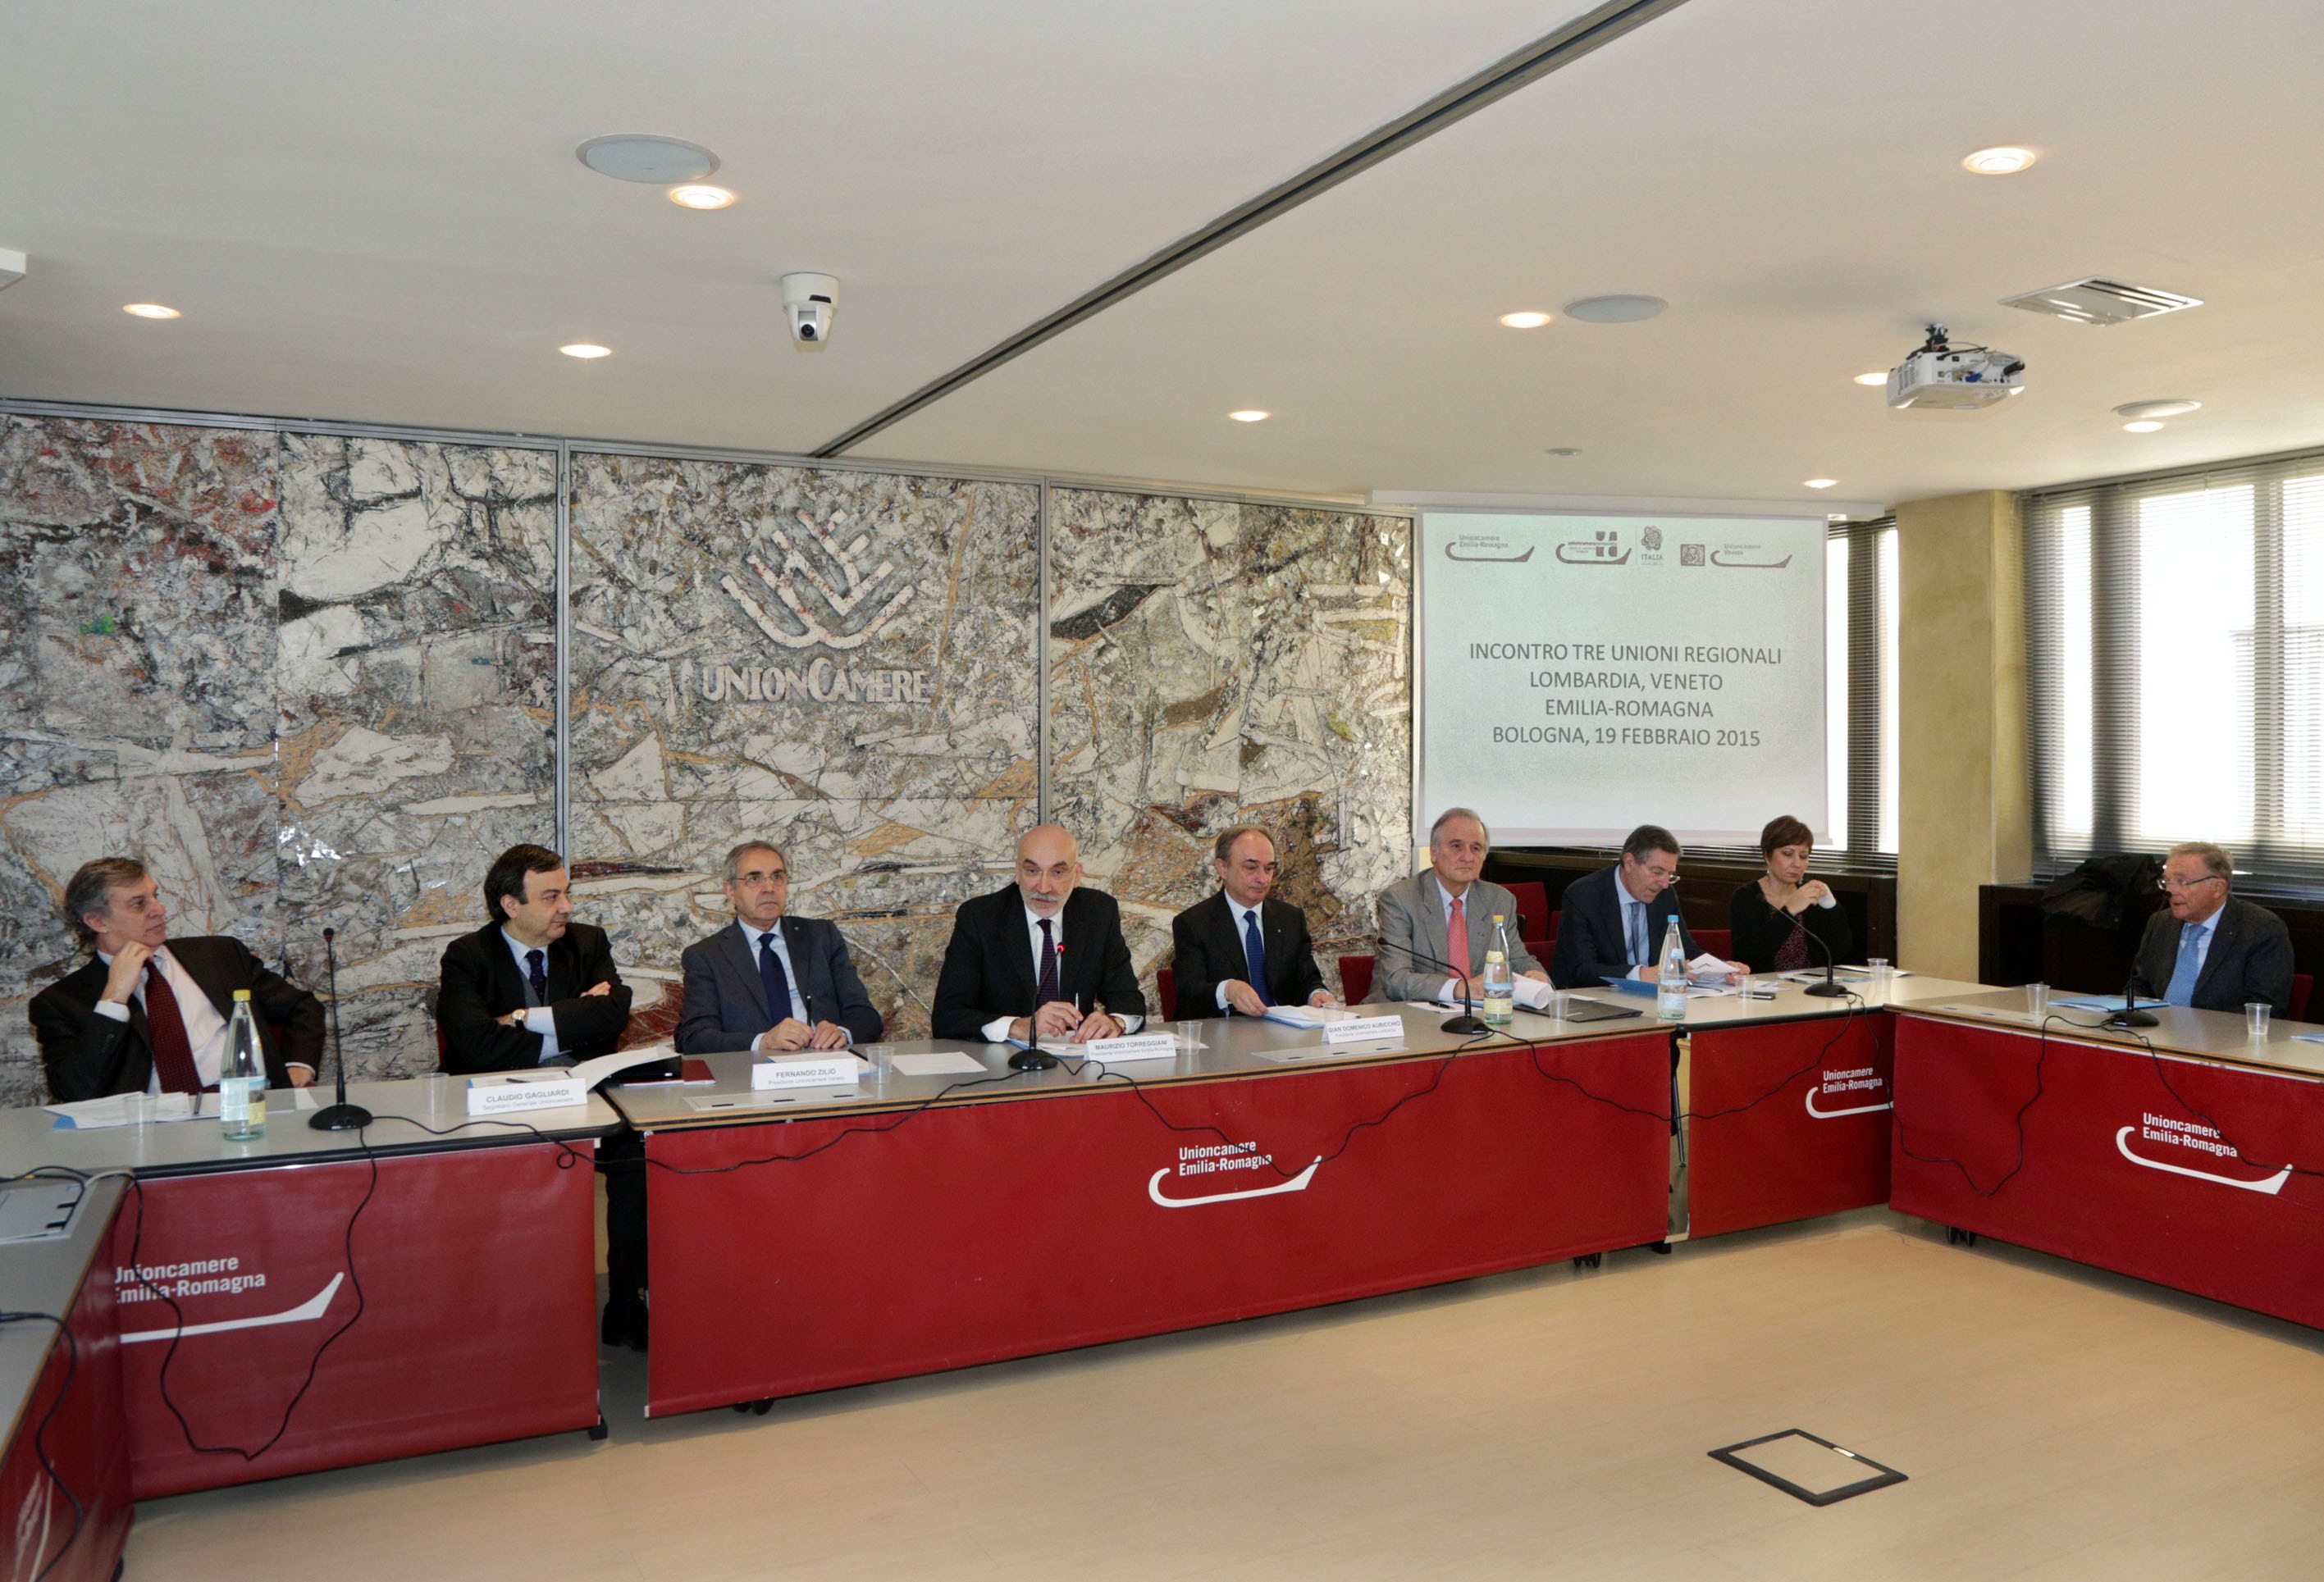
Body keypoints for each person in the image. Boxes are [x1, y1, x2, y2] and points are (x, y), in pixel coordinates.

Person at [436, 844, 646, 1349]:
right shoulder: (467, 957)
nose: (566, 907)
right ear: (511, 905)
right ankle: (507, 1315)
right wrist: (572, 1020)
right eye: (551, 897)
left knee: (639, 1157)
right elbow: (476, 1046)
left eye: (566, 894)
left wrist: (522, 1019)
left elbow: (612, 1018)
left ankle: (625, 1305)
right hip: (500, 1104)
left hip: (585, 1096)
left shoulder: (587, 942)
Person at [30, 857, 324, 1103]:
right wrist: (114, 998)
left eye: (155, 896)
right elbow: (75, 1091)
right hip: (149, 1129)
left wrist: (298, 1065)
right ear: (97, 921)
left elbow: (302, 1007)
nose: (159, 910)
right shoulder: (61, 1002)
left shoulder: (217, 955)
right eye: (138, 904)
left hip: (247, 1106)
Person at [931, 824, 1145, 1043]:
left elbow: (1128, 998)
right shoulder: (980, 918)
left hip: (1076, 1055)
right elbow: (947, 1016)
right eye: (1032, 871)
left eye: (1058, 872)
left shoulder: (1098, 912)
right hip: (1003, 1058)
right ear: (1017, 871)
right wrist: (1017, 1026)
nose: (1043, 888)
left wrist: (1115, 1022)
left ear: (1077, 875)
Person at [678, 841, 883, 1052]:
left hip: (825, 1062)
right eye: (754, 879)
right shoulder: (707, 956)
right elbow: (694, 1037)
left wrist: (842, 1033)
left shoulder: (821, 937)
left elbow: (866, 1016)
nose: (769, 888)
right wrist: (762, 1042)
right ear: (730, 890)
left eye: (777, 877)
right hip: (752, 1069)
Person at [1375, 809, 1550, 1006]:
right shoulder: (1400, 899)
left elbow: (1517, 959)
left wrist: (1536, 975)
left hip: (1477, 1014)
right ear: (1434, 852)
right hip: (1405, 1013)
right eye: (1456, 846)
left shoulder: (1500, 900)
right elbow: (1396, 980)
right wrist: (1461, 988)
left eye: (1476, 848)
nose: (1468, 857)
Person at [1169, 826, 1339, 1018]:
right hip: (1227, 1030)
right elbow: (1189, 992)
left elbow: (1306, 978)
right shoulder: (1194, 923)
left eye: (1269, 869)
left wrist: (1316, 993)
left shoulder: (1290, 918)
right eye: (1251, 868)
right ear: (1223, 868)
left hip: (1284, 1029)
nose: (1263, 879)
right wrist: (1227, 989)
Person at [1551, 824, 1744, 989]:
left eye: (1670, 874)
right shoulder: (1584, 895)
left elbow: (1684, 948)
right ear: (1629, 863)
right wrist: (1640, 974)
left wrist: (1722, 969)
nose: (1665, 883)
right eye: (1657, 872)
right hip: (1596, 999)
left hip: (1653, 999)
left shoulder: (1665, 895)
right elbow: (1581, 969)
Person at [2128, 841, 2293, 1015]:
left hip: (2224, 1030)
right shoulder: (2161, 922)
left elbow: (2265, 1005)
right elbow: (2139, 984)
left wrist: (2199, 1026)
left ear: (2217, 888)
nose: (2169, 891)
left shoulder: (2262, 928)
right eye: (2167, 881)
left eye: (2182, 881)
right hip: (2158, 1026)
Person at [1728, 814, 1856, 975]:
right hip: (1764, 985)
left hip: (1811, 983)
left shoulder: (1810, 893)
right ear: (1767, 856)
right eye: (1788, 854)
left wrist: (1831, 906)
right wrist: (1790, 910)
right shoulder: (1747, 897)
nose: (1797, 863)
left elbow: (1840, 950)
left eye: (1803, 856)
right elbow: (1749, 955)